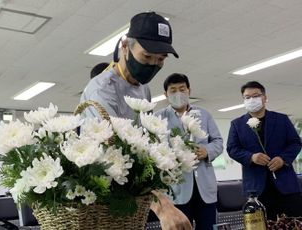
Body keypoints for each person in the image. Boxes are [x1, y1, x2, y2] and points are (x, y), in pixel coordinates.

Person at [80, 12, 192, 230]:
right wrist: (162, 205)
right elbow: (111, 156)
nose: (153, 64)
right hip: (102, 194)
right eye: (147, 56)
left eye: (160, 60)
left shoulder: (143, 88)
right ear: (125, 46)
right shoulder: (101, 89)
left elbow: (140, 146)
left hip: (133, 195)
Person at [155, 73, 223, 230]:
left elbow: (218, 142)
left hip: (205, 189)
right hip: (176, 191)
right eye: (173, 90)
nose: (178, 93)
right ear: (165, 94)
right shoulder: (158, 118)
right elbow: (153, 150)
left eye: (182, 89)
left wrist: (207, 150)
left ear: (189, 90)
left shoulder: (204, 115)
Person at [227, 81, 302, 220]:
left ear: (265, 98)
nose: (251, 100)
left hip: (286, 185)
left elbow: (295, 142)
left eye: (255, 95)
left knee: (295, 223)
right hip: (256, 189)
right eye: (247, 97)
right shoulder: (237, 124)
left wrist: (283, 159)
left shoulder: (281, 119)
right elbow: (232, 149)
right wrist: (251, 157)